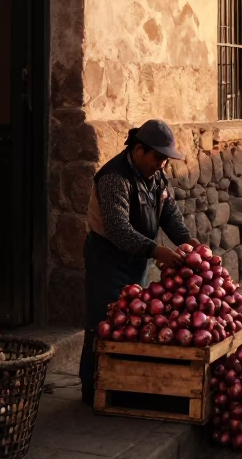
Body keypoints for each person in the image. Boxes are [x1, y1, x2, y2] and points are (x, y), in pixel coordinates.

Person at [78, 119, 191, 404]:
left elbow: (170, 216)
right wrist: (158, 251)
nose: (161, 165)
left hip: (136, 259)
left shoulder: (156, 178)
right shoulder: (114, 177)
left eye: (165, 160)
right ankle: (93, 388)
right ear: (138, 150)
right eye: (157, 158)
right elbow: (119, 230)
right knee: (102, 323)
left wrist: (191, 245)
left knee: (132, 320)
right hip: (107, 257)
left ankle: (122, 384)